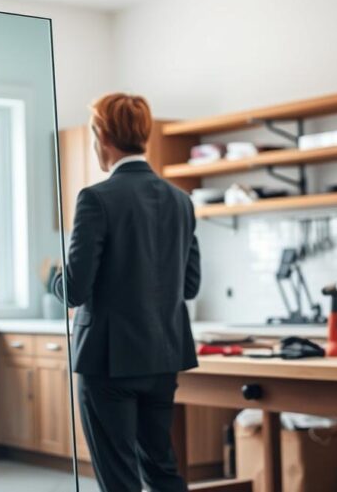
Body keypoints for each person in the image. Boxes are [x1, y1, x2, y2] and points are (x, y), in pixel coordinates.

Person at [53, 93, 200, 492]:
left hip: (109, 362)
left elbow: (75, 290)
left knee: (119, 478)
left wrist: (53, 277)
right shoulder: (181, 201)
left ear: (102, 135)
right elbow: (190, 286)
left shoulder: (96, 198)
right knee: (161, 469)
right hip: (163, 359)